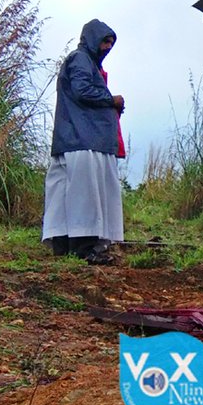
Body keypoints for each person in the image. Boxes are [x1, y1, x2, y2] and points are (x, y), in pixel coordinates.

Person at [42, 19, 124, 264]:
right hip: (83, 139)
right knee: (84, 194)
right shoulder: (80, 59)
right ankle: (85, 248)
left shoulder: (83, 61)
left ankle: (64, 245)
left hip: (75, 138)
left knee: (64, 195)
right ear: (92, 39)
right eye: (104, 41)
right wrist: (111, 99)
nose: (107, 47)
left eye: (111, 43)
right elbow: (82, 90)